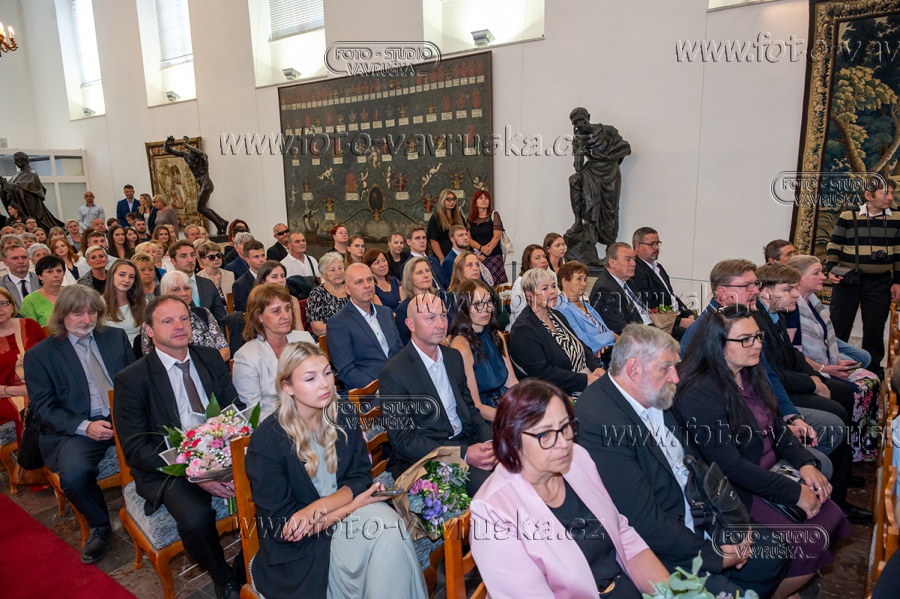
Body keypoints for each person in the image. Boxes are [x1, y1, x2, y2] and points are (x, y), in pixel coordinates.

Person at [576, 324, 790, 598]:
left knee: (776, 554)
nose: (676, 378)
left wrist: (734, 522)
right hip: (660, 551)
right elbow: (644, 521)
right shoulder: (600, 421)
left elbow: (695, 468)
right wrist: (714, 555)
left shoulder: (652, 393)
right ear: (633, 369)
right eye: (666, 368)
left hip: (699, 519)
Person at [676, 306, 853, 594]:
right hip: (738, 490)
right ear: (718, 345)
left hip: (768, 474)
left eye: (758, 337)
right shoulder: (701, 390)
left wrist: (806, 463)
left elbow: (777, 426)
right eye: (745, 339)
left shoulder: (750, 372)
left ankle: (788, 586)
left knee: (830, 513)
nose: (757, 345)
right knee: (810, 537)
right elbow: (730, 467)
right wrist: (795, 492)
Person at [246, 342, 427, 599]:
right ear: (288, 387)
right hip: (302, 552)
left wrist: (321, 507)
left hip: (342, 516)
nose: (324, 384)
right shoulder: (267, 440)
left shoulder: (343, 414)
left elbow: (360, 476)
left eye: (327, 373)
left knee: (391, 532)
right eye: (310, 378)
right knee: (388, 533)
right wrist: (351, 506)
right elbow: (286, 530)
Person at [471, 380, 670, 598]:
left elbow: (623, 536)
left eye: (565, 427)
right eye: (545, 434)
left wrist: (674, 593)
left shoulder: (577, 460)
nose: (563, 443)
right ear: (512, 441)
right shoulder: (492, 511)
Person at [113, 295, 244, 599]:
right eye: (167, 321)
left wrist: (227, 456)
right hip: (169, 466)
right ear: (148, 330)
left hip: (221, 449)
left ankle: (244, 566)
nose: (179, 326)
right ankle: (223, 577)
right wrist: (197, 471)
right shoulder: (132, 379)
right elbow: (135, 448)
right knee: (195, 518)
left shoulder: (210, 358)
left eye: (184, 318)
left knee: (276, 481)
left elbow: (234, 409)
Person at [26, 285, 134, 564]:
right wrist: (86, 427)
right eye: (78, 313)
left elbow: (135, 382)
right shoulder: (40, 355)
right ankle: (99, 525)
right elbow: (43, 408)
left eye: (92, 312)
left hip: (122, 415)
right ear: (62, 315)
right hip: (77, 426)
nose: (87, 320)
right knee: (74, 477)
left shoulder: (115, 337)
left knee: (166, 443)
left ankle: (157, 508)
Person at [380, 292, 494, 494]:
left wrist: (488, 442)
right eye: (430, 318)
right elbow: (403, 440)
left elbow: (469, 409)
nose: (441, 324)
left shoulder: (453, 357)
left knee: (521, 469)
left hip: (465, 441)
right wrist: (464, 454)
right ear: (410, 324)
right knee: (494, 487)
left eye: (443, 315)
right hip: (427, 459)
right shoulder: (394, 373)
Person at [787, 254, 880, 462]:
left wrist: (836, 361)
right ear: (799, 278)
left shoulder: (812, 301)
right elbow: (794, 353)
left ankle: (862, 446)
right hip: (808, 370)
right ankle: (851, 449)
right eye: (816, 273)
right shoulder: (792, 308)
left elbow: (825, 340)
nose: (824, 276)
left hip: (824, 364)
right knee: (855, 389)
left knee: (872, 379)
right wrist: (825, 369)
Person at [825, 175, 900, 375]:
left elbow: (899, 252)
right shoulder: (849, 216)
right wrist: (831, 268)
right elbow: (834, 245)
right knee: (839, 325)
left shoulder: (897, 217)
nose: (889, 197)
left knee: (875, 330)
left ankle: (873, 373)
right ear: (868, 195)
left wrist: (897, 281)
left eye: (891, 193)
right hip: (848, 279)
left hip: (880, 282)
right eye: (885, 193)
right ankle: (833, 367)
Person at [508, 268, 604, 396]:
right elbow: (543, 374)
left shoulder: (556, 315)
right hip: (556, 393)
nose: (553, 291)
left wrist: (597, 367)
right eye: (545, 288)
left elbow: (582, 346)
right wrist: (586, 380)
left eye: (553, 286)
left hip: (583, 381)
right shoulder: (524, 329)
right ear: (529, 295)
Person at [233, 284, 313, 421]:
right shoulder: (246, 357)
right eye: (276, 311)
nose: (286, 316)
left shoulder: (304, 339)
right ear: (259, 317)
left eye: (288, 308)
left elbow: (324, 386)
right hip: (274, 423)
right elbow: (253, 413)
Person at [449, 279, 518, 421]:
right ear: (464, 308)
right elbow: (476, 406)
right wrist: (509, 418)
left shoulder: (496, 335)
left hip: (506, 404)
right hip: (485, 417)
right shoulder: (461, 347)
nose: (485, 309)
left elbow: (512, 383)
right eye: (477, 304)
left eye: (488, 302)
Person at [326, 264, 402, 390]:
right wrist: (381, 388)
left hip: (399, 382)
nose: (367, 285)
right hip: (371, 391)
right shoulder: (338, 323)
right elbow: (347, 371)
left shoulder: (386, 312)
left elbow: (399, 351)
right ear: (347, 289)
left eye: (370, 279)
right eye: (359, 282)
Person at [140, 271, 229, 361]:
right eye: (176, 289)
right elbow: (150, 359)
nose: (183, 293)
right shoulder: (153, 321)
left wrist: (206, 366)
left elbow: (225, 349)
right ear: (164, 293)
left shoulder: (204, 313)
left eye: (187, 288)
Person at [629, 227, 695, 339]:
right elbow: (649, 306)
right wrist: (679, 321)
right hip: (661, 325)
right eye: (651, 244)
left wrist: (688, 313)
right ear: (637, 246)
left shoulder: (658, 267)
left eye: (657, 243)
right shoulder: (637, 271)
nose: (656, 247)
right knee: (697, 336)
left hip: (674, 318)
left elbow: (671, 295)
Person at [0, 286, 45, 443]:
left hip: (40, 386)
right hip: (6, 395)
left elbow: (51, 358)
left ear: (12, 306)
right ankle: (30, 456)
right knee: (27, 408)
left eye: (2, 303)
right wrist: (19, 390)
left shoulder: (30, 325)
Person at [555, 261, 616, 362]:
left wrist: (605, 342)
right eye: (579, 279)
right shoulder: (561, 308)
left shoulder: (585, 305)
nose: (584, 284)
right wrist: (612, 336)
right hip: (591, 360)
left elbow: (605, 330)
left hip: (608, 351)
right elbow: (583, 341)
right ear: (565, 281)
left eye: (585, 279)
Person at [588, 243, 653, 334]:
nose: (634, 264)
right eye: (628, 260)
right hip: (635, 337)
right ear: (612, 263)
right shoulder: (605, 290)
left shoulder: (629, 282)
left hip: (648, 329)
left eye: (634, 259)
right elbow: (621, 330)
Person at [0, 152, 64, 231]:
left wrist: (5, 183)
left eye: (17, 160)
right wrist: (4, 185)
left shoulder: (31, 173)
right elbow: (12, 188)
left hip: (31, 206)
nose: (15, 163)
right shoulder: (17, 174)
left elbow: (20, 189)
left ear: (24, 160)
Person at [169, 240, 227, 324]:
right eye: (183, 256)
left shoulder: (208, 284)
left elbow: (221, 318)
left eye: (192, 255)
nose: (190, 260)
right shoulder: (168, 287)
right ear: (173, 261)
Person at [447, 251, 509, 329]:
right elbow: (456, 324)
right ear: (459, 269)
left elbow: (504, 317)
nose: (475, 268)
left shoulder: (487, 289)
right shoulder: (452, 295)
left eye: (477, 265)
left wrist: (488, 331)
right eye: (469, 265)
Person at [394, 256, 448, 345]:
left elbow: (454, 326)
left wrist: (448, 340)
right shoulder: (403, 309)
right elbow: (408, 343)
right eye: (419, 273)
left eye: (427, 270)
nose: (426, 275)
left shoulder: (442, 297)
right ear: (410, 278)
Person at [466, 189, 507, 284]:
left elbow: (497, 236)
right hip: (476, 257)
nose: (484, 200)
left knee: (494, 286)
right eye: (481, 198)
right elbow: (468, 238)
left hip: (493, 256)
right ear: (475, 202)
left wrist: (485, 254)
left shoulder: (494, 215)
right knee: (478, 284)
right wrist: (481, 248)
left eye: (486, 198)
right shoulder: (470, 219)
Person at [306, 252, 350, 337]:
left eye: (340, 268)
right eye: (332, 270)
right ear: (323, 275)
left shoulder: (350, 289)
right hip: (330, 339)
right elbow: (318, 329)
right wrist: (346, 327)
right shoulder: (317, 294)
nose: (338, 272)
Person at [102, 259, 145, 345]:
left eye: (131, 277)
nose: (127, 280)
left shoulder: (142, 302)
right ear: (112, 275)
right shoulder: (98, 303)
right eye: (122, 275)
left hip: (138, 349)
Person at [253, 261, 306, 331]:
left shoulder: (293, 300)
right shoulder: (257, 301)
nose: (281, 280)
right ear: (263, 281)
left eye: (282, 276)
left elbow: (300, 330)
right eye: (274, 277)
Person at [508, 244, 550, 328]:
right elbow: (519, 316)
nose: (543, 260)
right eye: (537, 258)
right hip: (525, 328)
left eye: (544, 257)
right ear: (529, 263)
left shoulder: (547, 280)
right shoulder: (520, 284)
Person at [20, 256, 65, 326]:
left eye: (59, 271)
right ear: (40, 276)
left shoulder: (74, 294)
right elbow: (31, 329)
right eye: (49, 272)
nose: (56, 275)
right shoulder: (30, 301)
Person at [405, 224, 447, 290]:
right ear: (409, 242)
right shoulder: (407, 266)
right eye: (417, 238)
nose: (422, 241)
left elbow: (445, 282)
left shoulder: (434, 260)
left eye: (424, 238)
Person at [231, 240, 269, 313]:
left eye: (263, 255)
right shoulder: (240, 285)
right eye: (256, 257)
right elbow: (244, 313)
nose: (261, 260)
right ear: (247, 259)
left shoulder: (273, 277)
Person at [428, 189, 464, 262]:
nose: (452, 202)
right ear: (442, 201)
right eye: (448, 199)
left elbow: (465, 238)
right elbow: (433, 240)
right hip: (442, 256)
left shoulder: (460, 218)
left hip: (459, 256)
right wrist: (441, 258)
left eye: (454, 199)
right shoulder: (436, 218)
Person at [2, 244, 41, 310]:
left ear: (29, 259)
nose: (21, 261)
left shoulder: (42, 280)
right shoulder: (1, 286)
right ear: (6, 262)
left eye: (24, 257)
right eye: (15, 258)